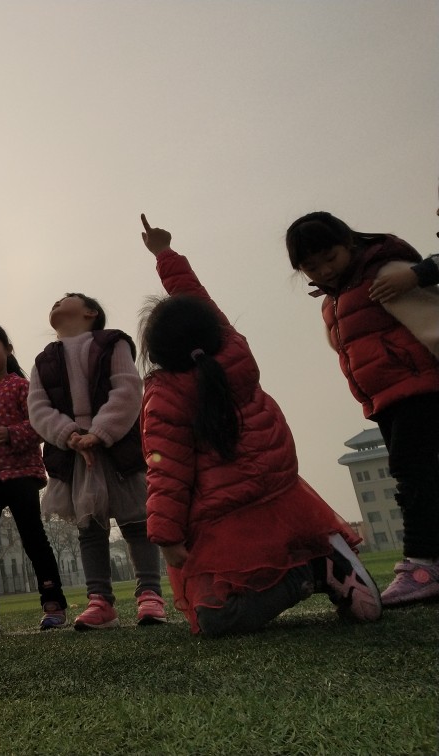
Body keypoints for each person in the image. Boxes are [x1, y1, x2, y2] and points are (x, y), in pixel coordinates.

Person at [140, 214, 382, 635]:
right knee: (222, 608)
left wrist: (166, 535)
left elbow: (166, 471)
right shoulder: (235, 351)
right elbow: (194, 294)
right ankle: (323, 563)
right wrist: (164, 253)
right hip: (282, 495)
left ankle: (314, 571)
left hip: (227, 514)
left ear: (157, 352)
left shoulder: (165, 397)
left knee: (216, 618)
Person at [285, 211, 439, 606]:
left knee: (413, 474)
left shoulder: (386, 274)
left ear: (349, 243)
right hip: (386, 398)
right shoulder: (335, 300)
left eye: (330, 258)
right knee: (419, 474)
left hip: (419, 388)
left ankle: (422, 566)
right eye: (311, 267)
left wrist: (419, 273)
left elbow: (431, 321)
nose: (324, 271)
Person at [28, 291, 166, 630]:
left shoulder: (113, 343)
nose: (57, 301)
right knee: (89, 528)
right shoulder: (44, 359)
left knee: (136, 521)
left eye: (68, 297)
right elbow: (38, 408)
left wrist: (100, 432)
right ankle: (100, 600)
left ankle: (150, 593)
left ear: (91, 312)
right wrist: (70, 435)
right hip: (75, 454)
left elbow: (127, 389)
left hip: (117, 447)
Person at [0, 325, 67, 636]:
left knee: (33, 538)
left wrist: (13, 434)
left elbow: (41, 426)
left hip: (20, 474)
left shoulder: (23, 388)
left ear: (7, 348)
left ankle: (53, 604)